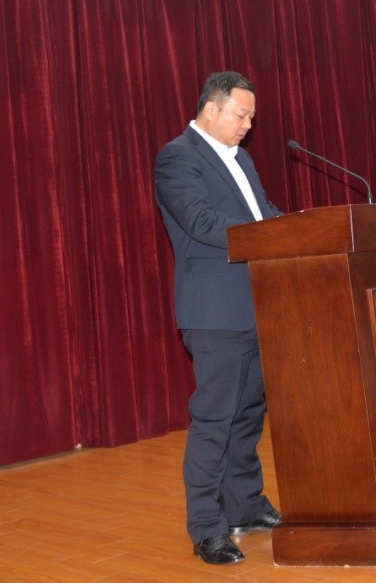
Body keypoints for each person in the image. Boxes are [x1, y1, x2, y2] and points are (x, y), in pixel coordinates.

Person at [154, 71, 284, 566]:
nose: (248, 125)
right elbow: (202, 222)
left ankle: (244, 506)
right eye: (241, 115)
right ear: (212, 108)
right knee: (215, 419)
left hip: (256, 304)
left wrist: (294, 227)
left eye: (251, 117)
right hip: (215, 311)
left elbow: (261, 211)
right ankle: (207, 527)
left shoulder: (241, 159)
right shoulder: (178, 157)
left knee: (248, 415)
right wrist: (269, 234)